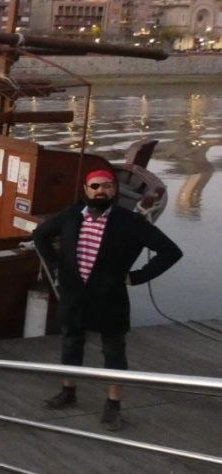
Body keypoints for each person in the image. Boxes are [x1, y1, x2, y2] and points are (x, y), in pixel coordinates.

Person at [33, 169, 182, 431]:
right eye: (95, 186)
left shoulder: (130, 222)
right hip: (74, 294)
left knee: (114, 351)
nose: (101, 191)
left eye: (108, 186)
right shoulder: (70, 216)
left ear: (114, 191)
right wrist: (57, 266)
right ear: (86, 189)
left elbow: (170, 251)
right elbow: (40, 235)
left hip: (110, 297)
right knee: (71, 343)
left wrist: (137, 277)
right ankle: (69, 391)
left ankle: (113, 405)